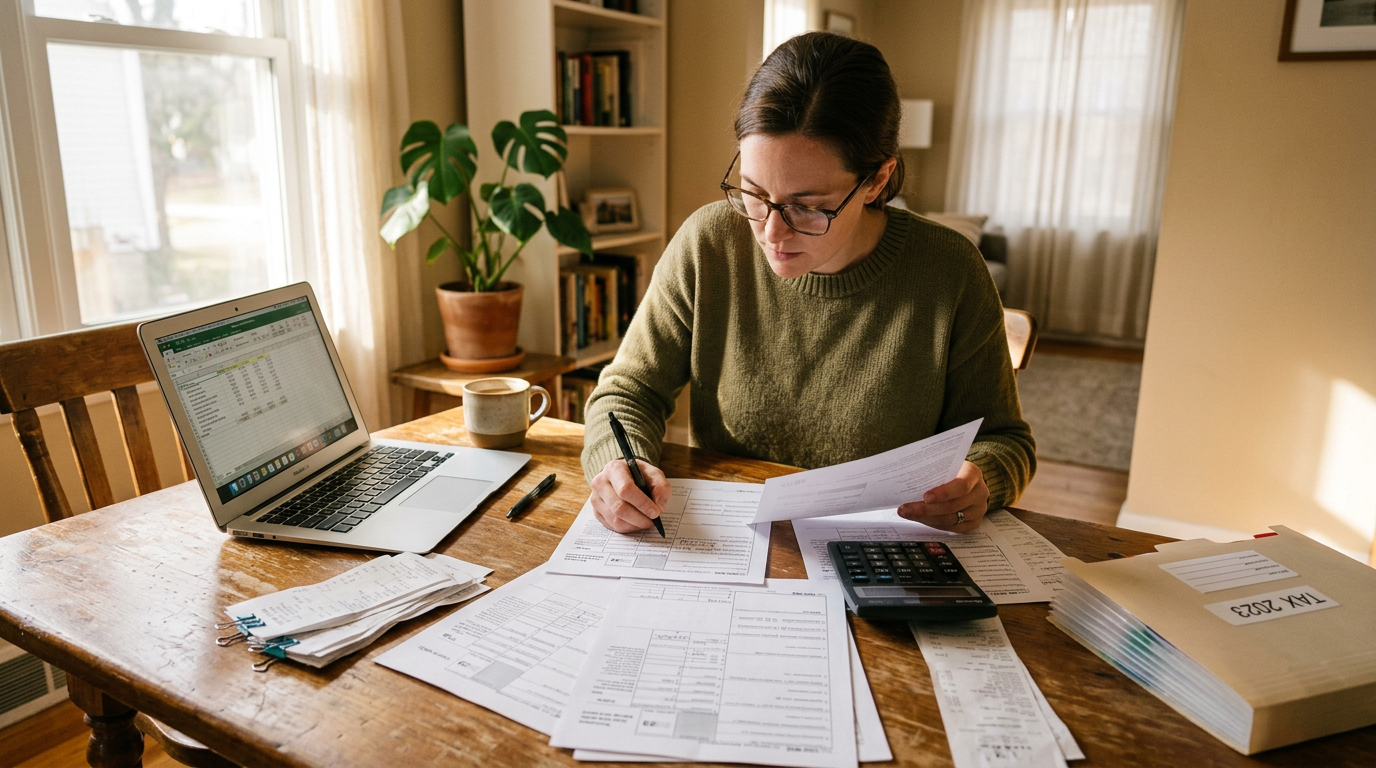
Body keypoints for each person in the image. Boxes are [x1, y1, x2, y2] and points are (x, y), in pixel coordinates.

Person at [580, 32, 1035, 536]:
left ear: (878, 181)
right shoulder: (709, 243)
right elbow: (627, 392)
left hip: (879, 548)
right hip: (727, 542)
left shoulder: (950, 271)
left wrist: (983, 479)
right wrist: (619, 466)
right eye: (753, 193)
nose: (771, 232)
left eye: (807, 206)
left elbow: (1003, 439)